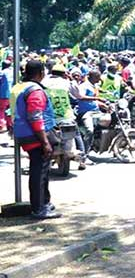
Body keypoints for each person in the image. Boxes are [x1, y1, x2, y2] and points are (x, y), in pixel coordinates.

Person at [11, 59, 60, 219]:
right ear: (41, 73)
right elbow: (35, 117)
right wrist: (45, 141)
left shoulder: (19, 87)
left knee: (41, 171)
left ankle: (44, 203)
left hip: (22, 133)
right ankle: (39, 208)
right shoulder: (35, 90)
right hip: (36, 135)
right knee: (39, 173)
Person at [42, 63, 84, 170]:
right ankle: (82, 156)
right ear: (64, 74)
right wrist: (71, 79)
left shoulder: (43, 82)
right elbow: (78, 95)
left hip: (48, 117)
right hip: (66, 116)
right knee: (77, 133)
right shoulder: (66, 83)